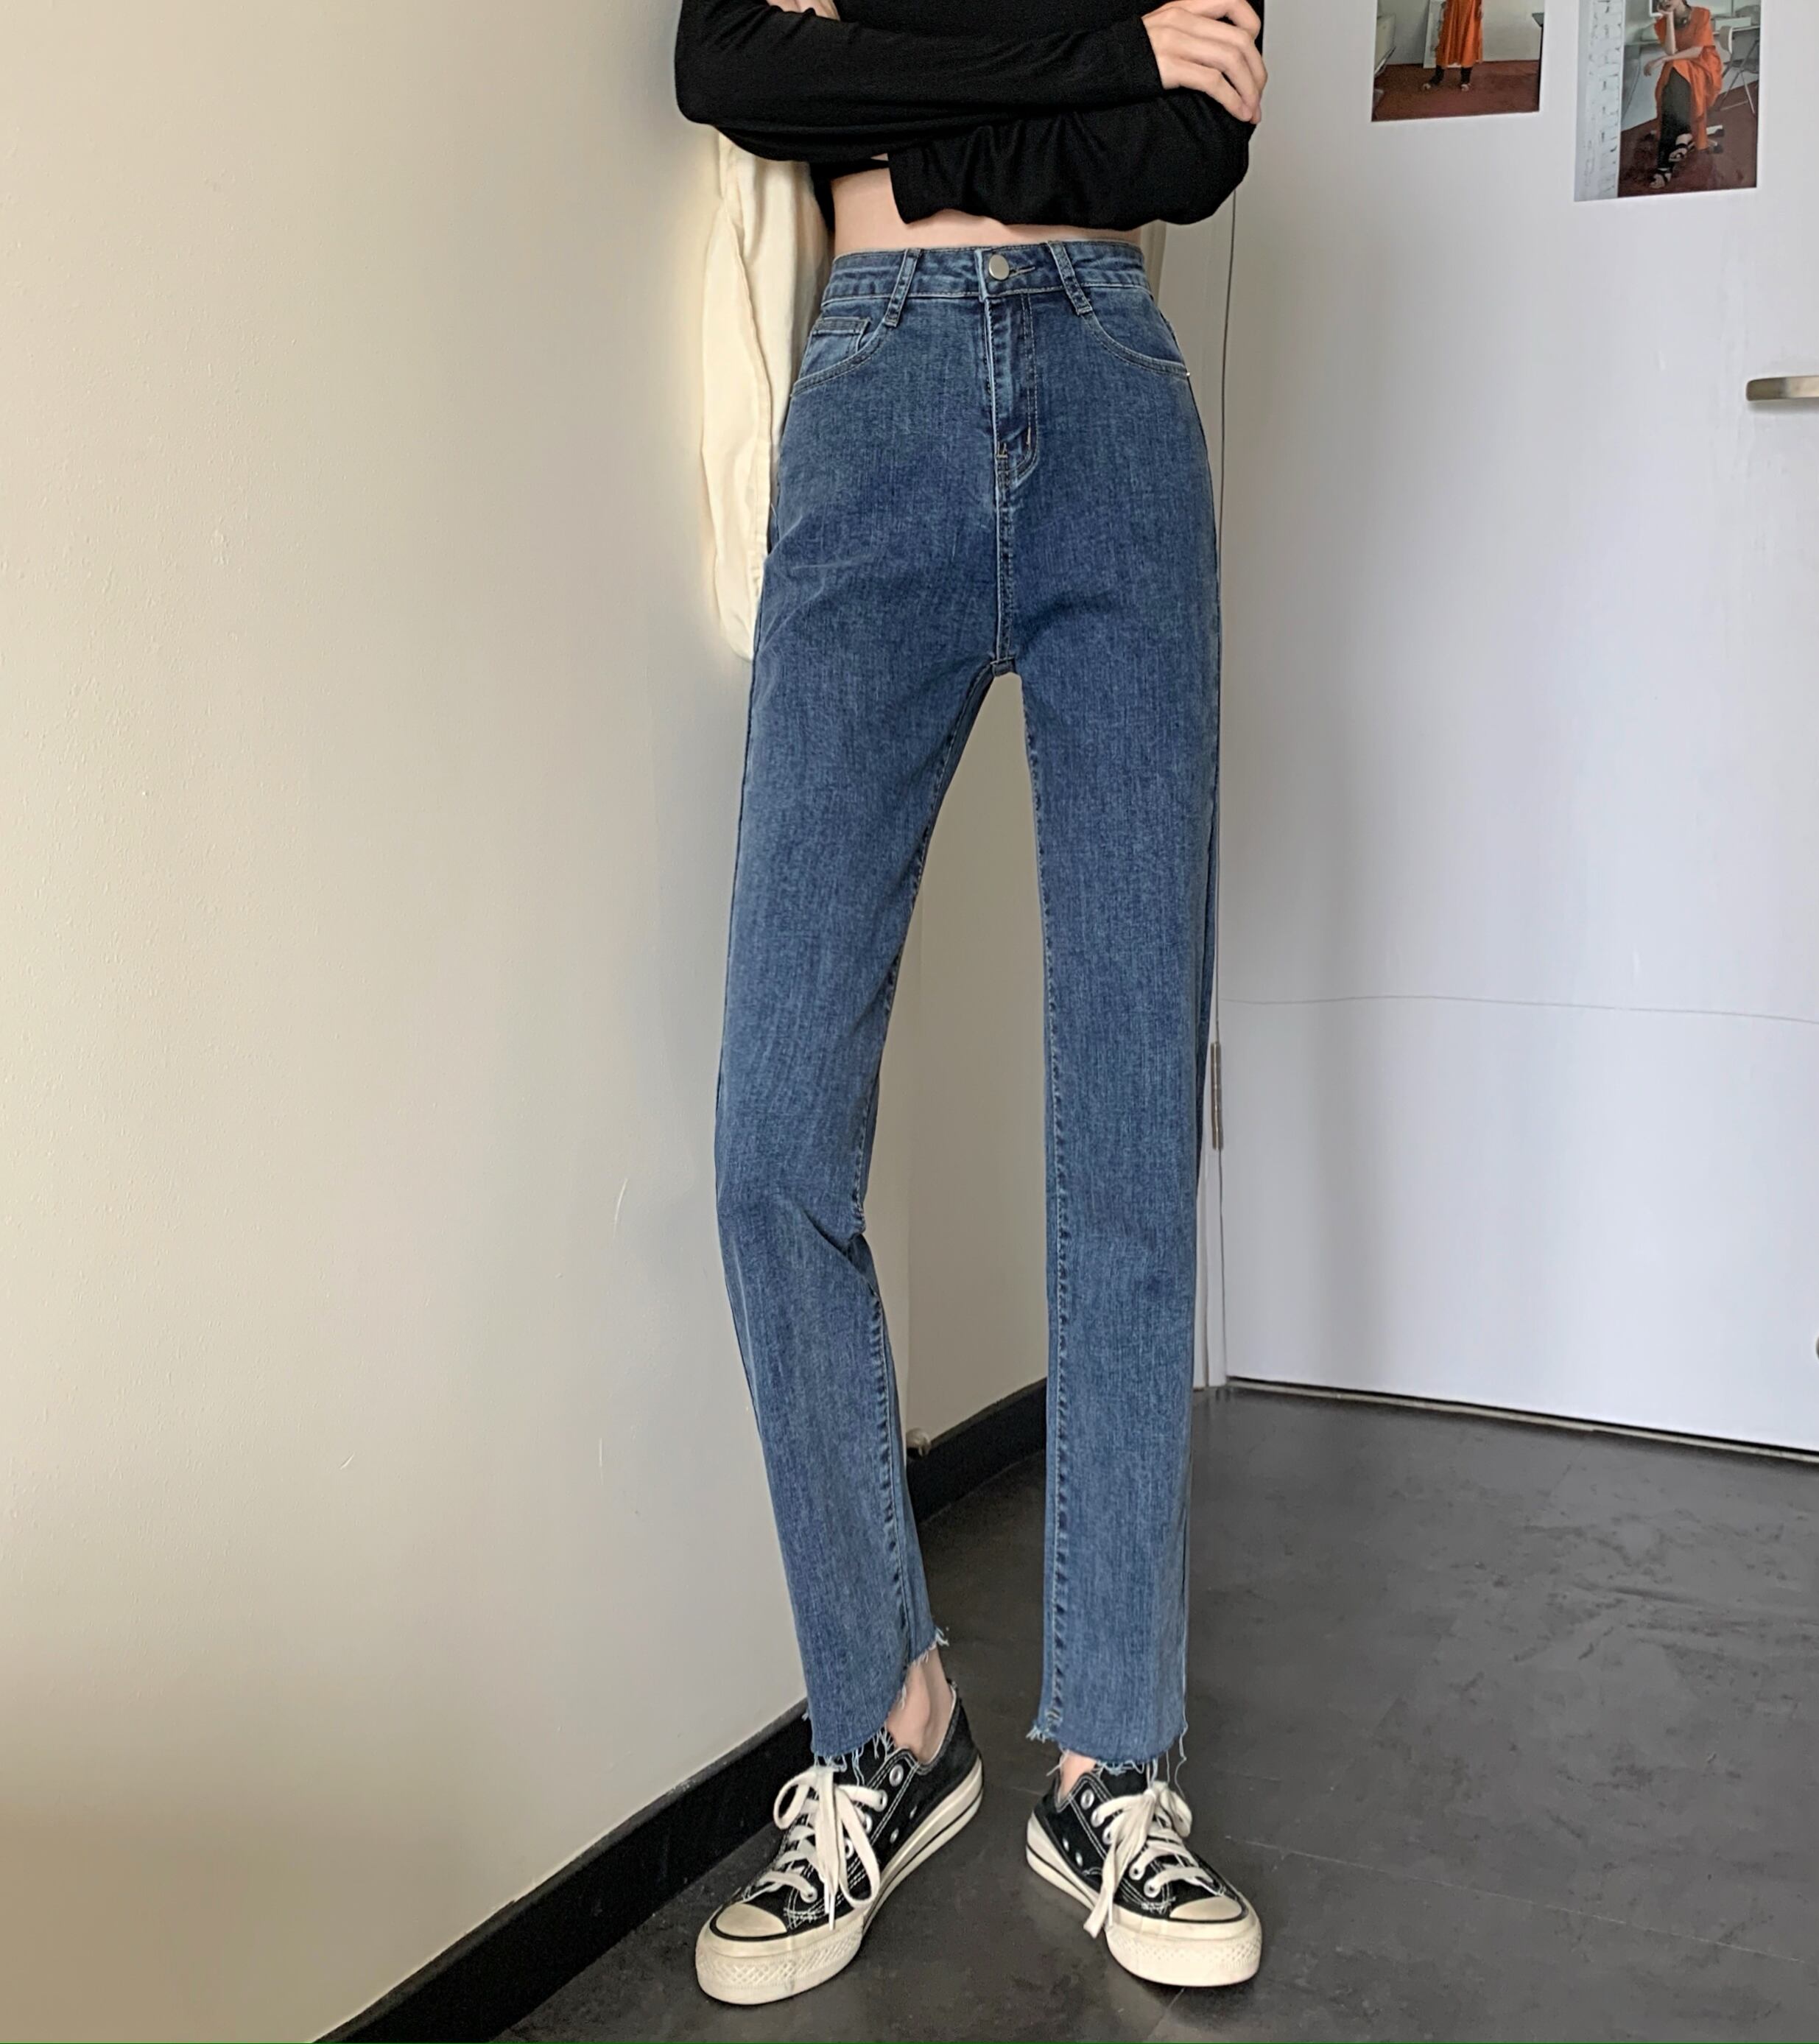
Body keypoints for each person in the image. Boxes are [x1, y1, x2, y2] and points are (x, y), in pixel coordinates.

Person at [672, 0, 1268, 2009]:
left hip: (1110, 399)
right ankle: (887, 1716)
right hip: (872, 397)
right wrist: (1096, 47)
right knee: (771, 1135)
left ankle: (1110, 1760)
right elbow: (736, 71)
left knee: (1124, 1128)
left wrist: (904, 85)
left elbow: (1188, 150)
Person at [1648, 1, 1723, 186]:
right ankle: (1682, 135)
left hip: (1703, 66)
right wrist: (1669, 18)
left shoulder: (1702, 14)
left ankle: (1665, 165)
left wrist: (1663, 59)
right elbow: (1672, 50)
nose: (1665, 0)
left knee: (1672, 69)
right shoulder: (1662, 24)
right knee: (1672, 83)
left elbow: (1696, 52)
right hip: (1680, 71)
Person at [1425, 0, 1482, 91]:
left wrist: (1481, 5)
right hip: (1453, 6)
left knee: (1468, 41)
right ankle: (1437, 77)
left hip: (1471, 7)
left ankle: (1465, 80)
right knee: (1447, 40)